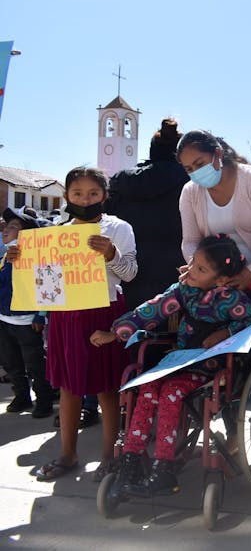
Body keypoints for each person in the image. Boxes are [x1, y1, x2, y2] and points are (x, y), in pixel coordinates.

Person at [90, 234, 251, 497]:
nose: (191, 272)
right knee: (148, 387)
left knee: (171, 393)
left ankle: (164, 467)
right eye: (192, 263)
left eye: (201, 269)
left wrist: (226, 332)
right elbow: (152, 310)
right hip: (181, 359)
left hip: (212, 365)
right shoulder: (184, 290)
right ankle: (132, 458)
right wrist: (116, 332)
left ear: (220, 279)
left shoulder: (230, 299)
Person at [34, 166, 138, 481]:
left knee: (107, 387)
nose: (85, 199)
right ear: (66, 196)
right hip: (66, 315)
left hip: (104, 313)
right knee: (69, 387)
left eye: (93, 193)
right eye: (78, 193)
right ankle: (68, 455)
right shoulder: (55, 233)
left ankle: (109, 457)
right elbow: (43, 277)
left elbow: (130, 272)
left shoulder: (118, 228)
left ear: (105, 196)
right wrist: (19, 259)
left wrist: (111, 254)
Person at [177, 129, 251, 291]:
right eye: (189, 169)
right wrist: (197, 268)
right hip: (215, 288)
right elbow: (190, 241)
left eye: (199, 164)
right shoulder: (189, 193)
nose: (196, 172)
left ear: (218, 154)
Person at [105, 118, 188, 310]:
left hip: (126, 281)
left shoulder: (120, 183)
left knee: (127, 335)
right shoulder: (191, 184)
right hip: (176, 283)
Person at [0, 207, 54, 418]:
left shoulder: (37, 260)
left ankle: (44, 400)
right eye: (6, 226)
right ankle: (21, 397)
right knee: (11, 362)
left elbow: (47, 288)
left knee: (35, 364)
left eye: (13, 227)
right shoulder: (5, 259)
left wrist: (41, 315)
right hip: (4, 320)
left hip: (27, 321)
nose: (6, 231)